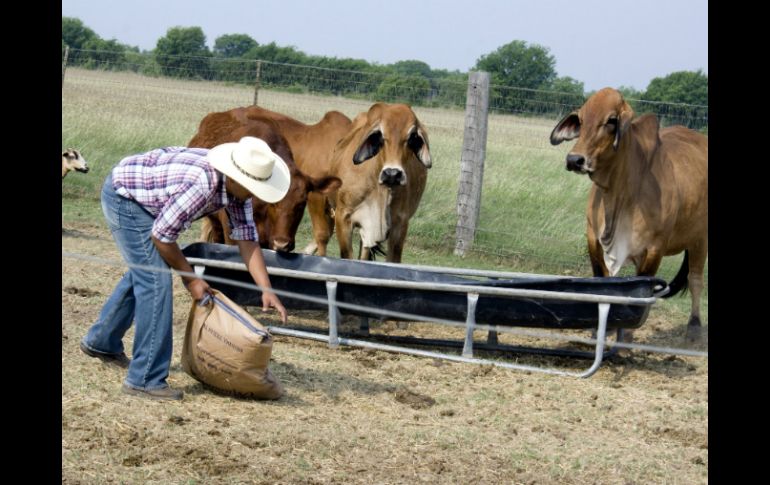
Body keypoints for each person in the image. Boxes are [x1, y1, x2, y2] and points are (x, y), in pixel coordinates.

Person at [80, 136, 289, 401]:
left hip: (153, 200)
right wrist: (191, 280)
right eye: (254, 187)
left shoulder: (239, 190)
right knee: (155, 281)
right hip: (126, 198)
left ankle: (102, 343)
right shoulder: (203, 184)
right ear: (236, 177)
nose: (256, 193)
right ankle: (144, 379)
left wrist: (266, 288)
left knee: (145, 272)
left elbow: (246, 239)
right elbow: (163, 237)